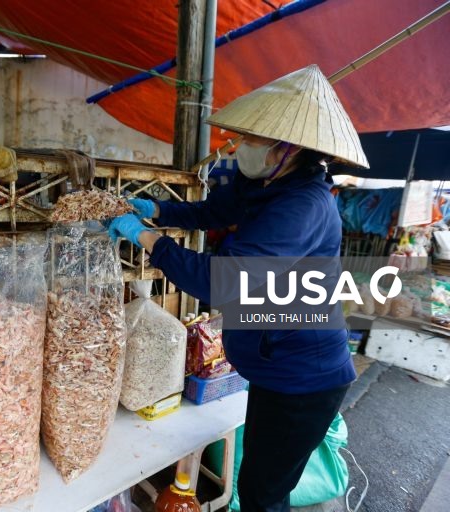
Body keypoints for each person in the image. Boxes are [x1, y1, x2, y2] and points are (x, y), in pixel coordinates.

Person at [108, 64, 369, 512]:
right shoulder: (263, 183)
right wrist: (155, 208)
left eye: (253, 140)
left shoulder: (302, 207)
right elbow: (211, 213)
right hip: (274, 364)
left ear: (287, 149)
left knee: (264, 494)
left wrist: (146, 238)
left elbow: (222, 280)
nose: (242, 146)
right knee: (258, 483)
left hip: (303, 376)